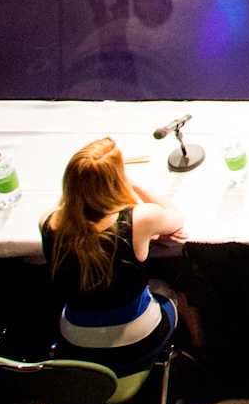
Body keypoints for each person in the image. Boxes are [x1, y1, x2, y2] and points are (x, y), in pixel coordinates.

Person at [41, 138, 182, 373]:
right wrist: (131, 185)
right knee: (174, 286)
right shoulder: (139, 219)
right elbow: (175, 216)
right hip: (136, 341)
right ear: (115, 178)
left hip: (75, 343)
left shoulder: (47, 221)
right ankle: (198, 348)